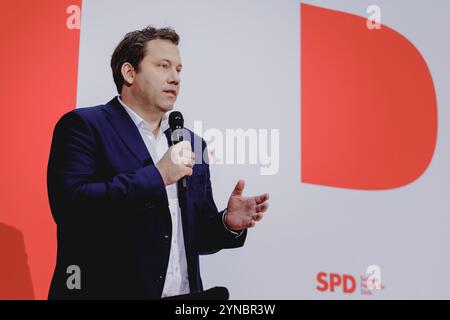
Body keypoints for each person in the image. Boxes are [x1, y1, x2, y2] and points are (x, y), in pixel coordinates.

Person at [47, 26, 270, 299]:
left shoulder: (191, 142)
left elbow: (195, 236)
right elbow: (72, 207)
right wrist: (157, 176)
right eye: (163, 66)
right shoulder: (85, 126)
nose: (175, 78)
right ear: (129, 73)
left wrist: (226, 223)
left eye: (178, 69)